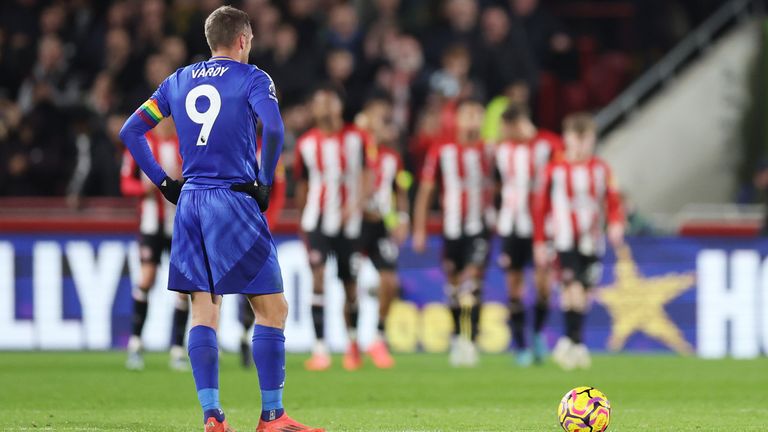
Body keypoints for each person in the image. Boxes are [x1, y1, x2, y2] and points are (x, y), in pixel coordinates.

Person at [119, 6, 323, 432]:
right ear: (244, 40)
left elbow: (131, 131)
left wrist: (164, 183)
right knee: (273, 309)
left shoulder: (177, 81)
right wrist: (264, 182)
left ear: (211, 41)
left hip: (190, 203)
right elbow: (276, 129)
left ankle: (213, 416)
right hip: (233, 199)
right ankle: (272, 416)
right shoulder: (253, 78)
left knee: (204, 312)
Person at [533, 112, 625, 370]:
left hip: (592, 240)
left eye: (587, 139)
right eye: (577, 138)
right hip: (563, 240)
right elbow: (540, 208)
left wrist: (616, 224)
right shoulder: (554, 170)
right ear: (567, 139)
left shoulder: (602, 169)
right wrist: (540, 241)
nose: (582, 145)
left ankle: (569, 341)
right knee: (571, 287)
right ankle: (576, 342)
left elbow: (613, 200)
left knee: (584, 292)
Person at [294, 84, 373, 371]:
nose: (325, 107)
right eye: (320, 102)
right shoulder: (305, 144)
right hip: (317, 222)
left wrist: (357, 204)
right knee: (317, 278)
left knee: (350, 286)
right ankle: (320, 349)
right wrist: (305, 220)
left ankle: (353, 344)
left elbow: (368, 174)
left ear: (339, 105)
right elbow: (302, 185)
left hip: (350, 224)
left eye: (330, 101)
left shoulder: (358, 138)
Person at [412, 97, 490, 367]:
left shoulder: (489, 151)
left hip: (479, 228)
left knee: (473, 282)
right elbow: (426, 191)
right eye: (467, 114)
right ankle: (458, 338)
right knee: (454, 286)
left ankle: (473, 341)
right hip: (452, 229)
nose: (472, 120)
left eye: (477, 114)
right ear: (456, 119)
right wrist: (419, 229)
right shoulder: (441, 151)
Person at [492, 104, 564, 366]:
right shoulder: (501, 149)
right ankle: (521, 345)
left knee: (544, 285)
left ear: (518, 123)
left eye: (505, 128)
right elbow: (497, 183)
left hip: (543, 227)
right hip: (511, 225)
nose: (503, 133)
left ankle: (536, 334)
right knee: (514, 285)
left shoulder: (550, 144)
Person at [121, 116, 190, 372]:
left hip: (179, 225)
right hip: (151, 224)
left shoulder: (184, 145)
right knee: (146, 279)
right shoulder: (143, 144)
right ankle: (136, 344)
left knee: (183, 287)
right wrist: (142, 189)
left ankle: (177, 349)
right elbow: (125, 182)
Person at [355, 92, 411, 369]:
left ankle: (377, 338)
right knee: (348, 285)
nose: (380, 123)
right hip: (354, 223)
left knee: (389, 281)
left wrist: (402, 217)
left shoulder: (392, 157)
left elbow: (401, 188)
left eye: (383, 118)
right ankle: (352, 343)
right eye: (375, 116)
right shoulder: (352, 147)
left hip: (379, 226)